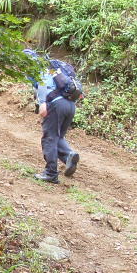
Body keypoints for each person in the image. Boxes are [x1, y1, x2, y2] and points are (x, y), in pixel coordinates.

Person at [25, 48, 80, 184]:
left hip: (56, 104)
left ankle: (50, 173)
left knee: (49, 138)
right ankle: (69, 156)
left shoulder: (38, 68)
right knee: (57, 136)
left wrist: (43, 103)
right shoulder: (53, 67)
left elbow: (43, 83)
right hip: (70, 105)